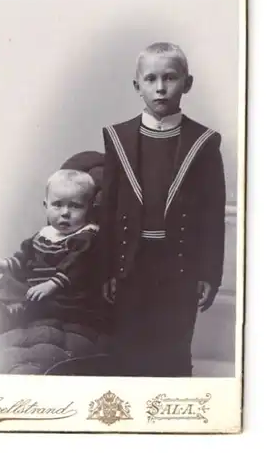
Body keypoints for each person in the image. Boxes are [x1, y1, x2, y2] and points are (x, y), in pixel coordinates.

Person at [98, 42, 226, 377]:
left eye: (170, 78)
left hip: (179, 267)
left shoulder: (205, 142)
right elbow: (107, 211)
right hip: (130, 265)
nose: (160, 87)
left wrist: (209, 273)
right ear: (136, 85)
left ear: (187, 83)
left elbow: (213, 217)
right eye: (151, 78)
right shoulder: (117, 138)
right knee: (128, 350)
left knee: (174, 351)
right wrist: (107, 271)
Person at [0, 165, 105, 332]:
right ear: (46, 206)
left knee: (44, 303)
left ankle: (13, 314)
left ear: (89, 209)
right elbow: (26, 256)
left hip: (67, 295)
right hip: (38, 287)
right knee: (9, 282)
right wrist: (4, 264)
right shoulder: (45, 234)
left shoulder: (86, 237)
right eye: (57, 205)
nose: (65, 213)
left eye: (75, 206)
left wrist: (51, 285)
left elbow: (78, 265)